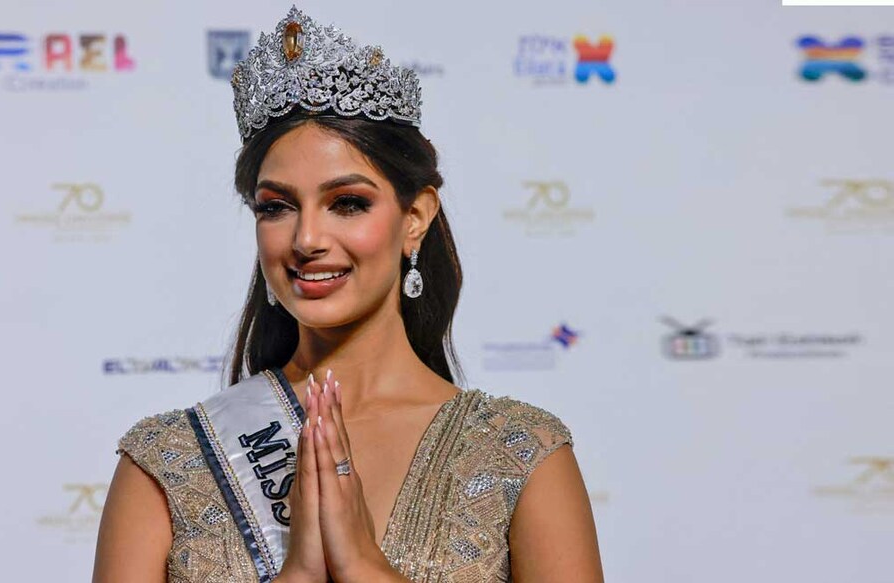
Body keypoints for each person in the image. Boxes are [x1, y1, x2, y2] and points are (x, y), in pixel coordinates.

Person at [93, 7, 603, 582]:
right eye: (277, 207)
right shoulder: (169, 460)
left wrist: (362, 565)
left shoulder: (521, 455)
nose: (307, 239)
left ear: (415, 217)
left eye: (348, 203)